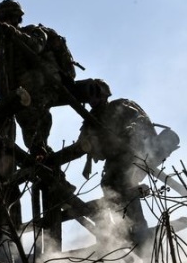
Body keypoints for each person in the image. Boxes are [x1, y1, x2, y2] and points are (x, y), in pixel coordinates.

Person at [67, 80, 177, 245]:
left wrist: (130, 134)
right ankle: (121, 230)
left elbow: (142, 122)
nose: (93, 100)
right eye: (91, 97)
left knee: (122, 185)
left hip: (133, 154)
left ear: (104, 95)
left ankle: (138, 230)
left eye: (97, 95)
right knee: (109, 187)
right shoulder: (90, 120)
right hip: (115, 159)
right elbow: (82, 146)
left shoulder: (120, 106)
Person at [0, 0, 81, 160]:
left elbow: (36, 46)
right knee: (26, 118)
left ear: (14, 18)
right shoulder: (6, 49)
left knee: (35, 115)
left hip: (47, 84)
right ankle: (42, 155)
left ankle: (39, 150)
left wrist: (14, 33)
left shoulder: (33, 31)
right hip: (27, 91)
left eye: (5, 19)